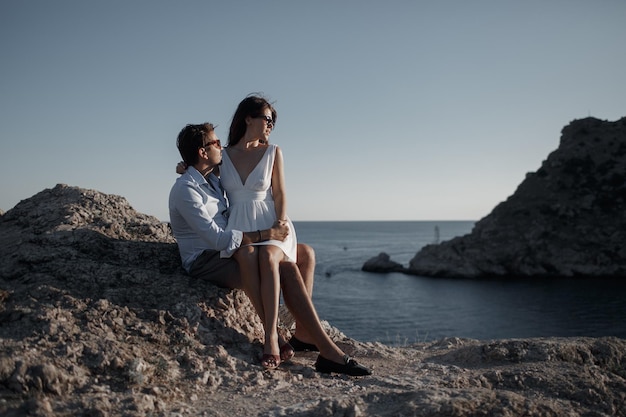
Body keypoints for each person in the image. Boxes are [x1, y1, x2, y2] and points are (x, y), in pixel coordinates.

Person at [169, 122, 371, 376]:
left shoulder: (210, 180)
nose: (221, 147)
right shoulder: (186, 190)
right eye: (216, 143)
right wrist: (266, 235)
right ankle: (301, 342)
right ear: (202, 151)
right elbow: (219, 240)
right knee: (273, 263)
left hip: (229, 251)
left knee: (301, 254)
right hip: (205, 260)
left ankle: (309, 338)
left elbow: (236, 170)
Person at [219, 95, 297, 369]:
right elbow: (201, 170)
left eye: (273, 122)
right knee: (247, 254)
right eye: (266, 118)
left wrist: (281, 223)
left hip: (271, 220)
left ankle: (270, 338)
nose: (270, 125)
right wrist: (185, 168)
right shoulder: (223, 155)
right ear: (248, 118)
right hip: (239, 225)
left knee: (267, 259)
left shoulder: (273, 151)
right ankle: (274, 331)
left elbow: (280, 192)